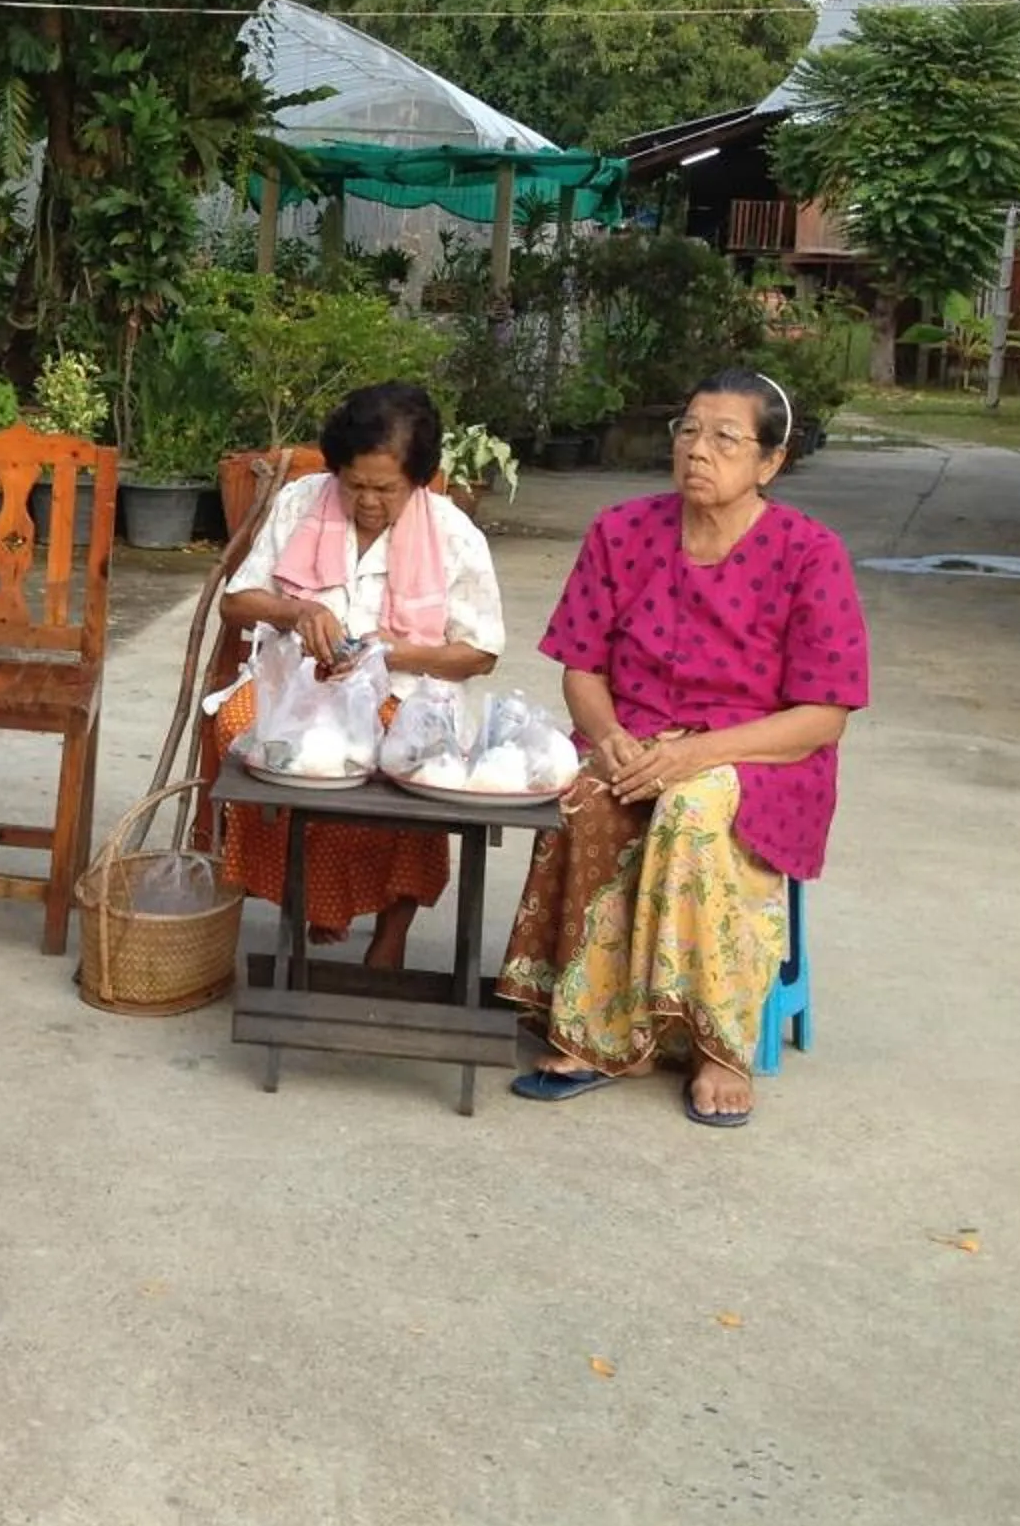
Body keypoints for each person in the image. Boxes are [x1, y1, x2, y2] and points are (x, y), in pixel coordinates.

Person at [500, 369, 868, 1129]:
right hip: (631, 733)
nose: (700, 450)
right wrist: (607, 742)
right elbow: (582, 668)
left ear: (770, 462)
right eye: (690, 430)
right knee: (585, 797)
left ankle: (716, 1045)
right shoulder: (621, 530)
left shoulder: (809, 554)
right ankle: (592, 1028)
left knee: (692, 811)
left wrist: (697, 756)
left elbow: (822, 715)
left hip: (758, 756)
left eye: (726, 438)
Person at [210, 383, 506, 968]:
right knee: (252, 735)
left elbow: (481, 653)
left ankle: (390, 931)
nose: (368, 501)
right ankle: (314, 901)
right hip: (298, 686)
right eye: (355, 485)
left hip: (405, 693)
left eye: (386, 489)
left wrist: (392, 653)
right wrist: (298, 612)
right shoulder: (301, 504)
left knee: (413, 761)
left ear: (418, 480)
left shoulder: (452, 535)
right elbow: (235, 602)